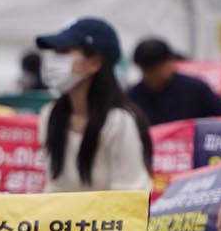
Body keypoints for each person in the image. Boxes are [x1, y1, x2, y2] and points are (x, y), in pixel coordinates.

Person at [32, 17, 151, 192]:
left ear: (94, 63)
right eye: (55, 52)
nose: (54, 60)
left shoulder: (120, 121)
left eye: (64, 51)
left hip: (113, 218)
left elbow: (130, 195)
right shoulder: (50, 115)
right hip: (64, 218)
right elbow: (55, 187)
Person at [126, 38, 221, 124]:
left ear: (170, 63)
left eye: (155, 70)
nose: (151, 76)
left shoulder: (196, 89)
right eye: (146, 71)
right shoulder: (134, 96)